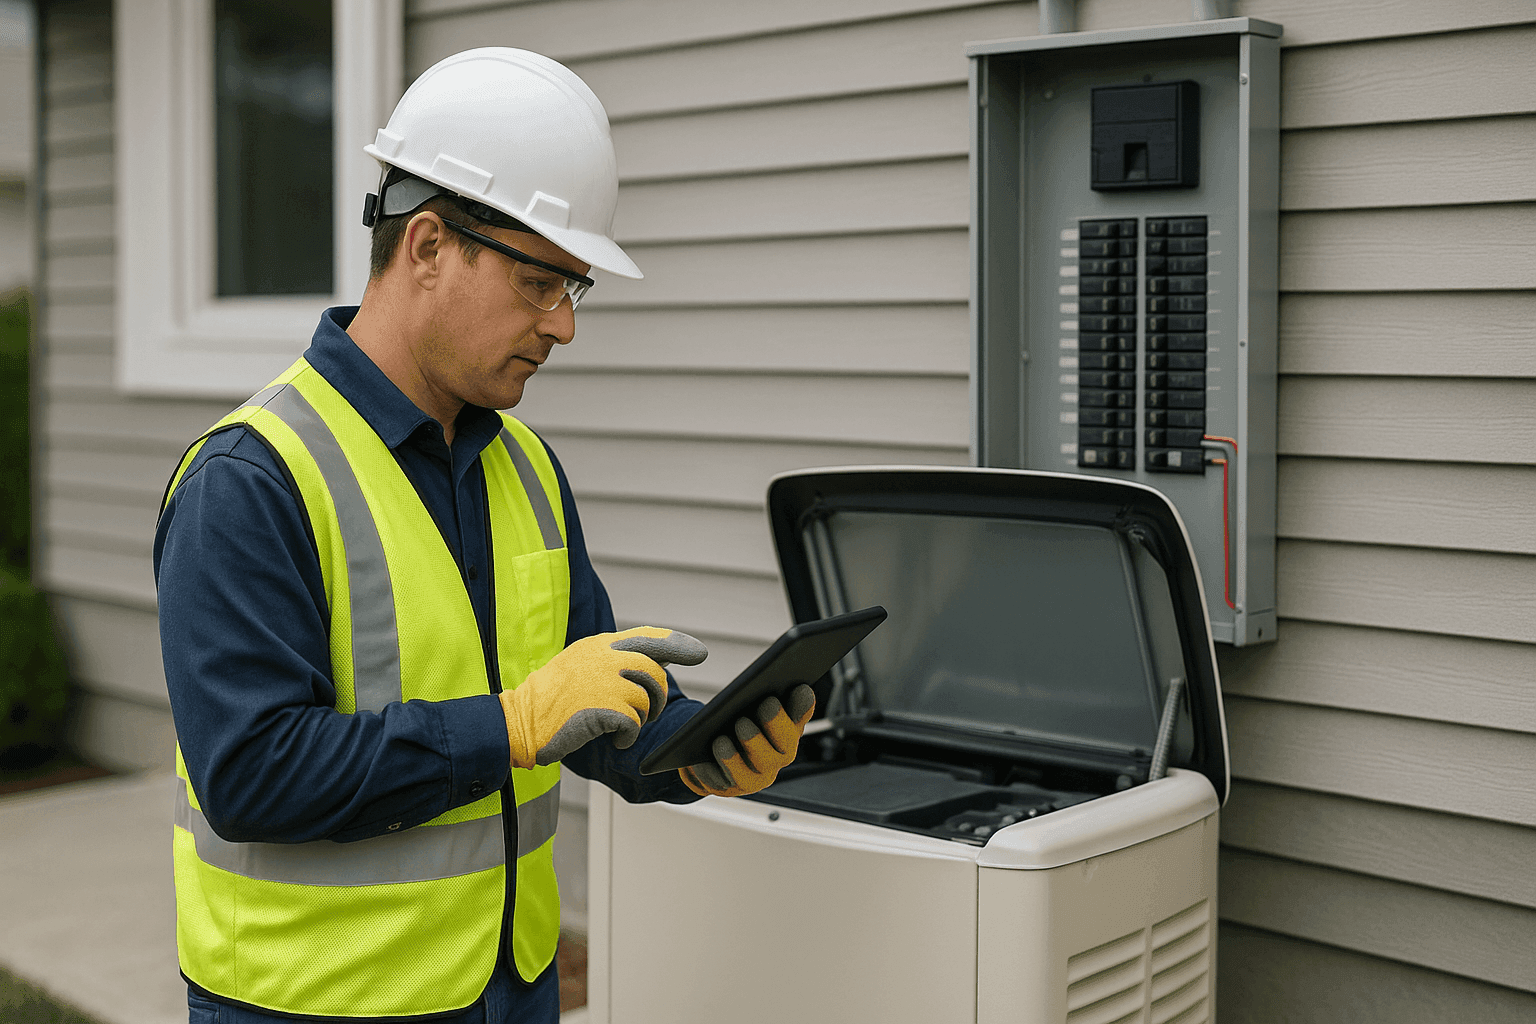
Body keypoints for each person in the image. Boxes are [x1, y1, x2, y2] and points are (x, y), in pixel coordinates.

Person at [155, 48, 815, 1024]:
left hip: (512, 991)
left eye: (574, 289)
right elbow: (251, 776)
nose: (563, 327)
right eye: (541, 281)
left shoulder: (527, 469)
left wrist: (698, 750)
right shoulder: (250, 480)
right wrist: (510, 725)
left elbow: (581, 704)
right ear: (426, 246)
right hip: (317, 1004)